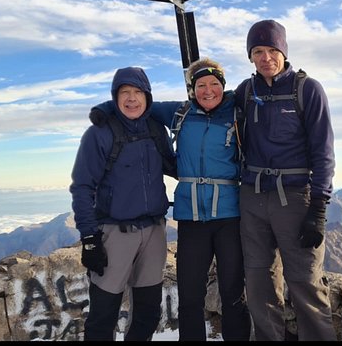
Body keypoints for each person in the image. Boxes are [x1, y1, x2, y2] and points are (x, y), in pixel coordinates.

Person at [90, 58, 252, 341]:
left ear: (223, 85)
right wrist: (103, 110)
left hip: (229, 215)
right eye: (201, 85)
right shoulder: (180, 112)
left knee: (233, 293)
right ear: (192, 89)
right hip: (191, 217)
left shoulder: (237, 112)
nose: (208, 90)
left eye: (214, 83)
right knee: (190, 296)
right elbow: (139, 103)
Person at [234, 19, 337, 341]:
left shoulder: (307, 90)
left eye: (272, 50)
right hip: (252, 196)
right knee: (258, 281)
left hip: (294, 198)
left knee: (305, 281)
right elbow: (204, 104)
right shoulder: (245, 92)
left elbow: (323, 152)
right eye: (258, 51)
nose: (266, 58)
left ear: (284, 52)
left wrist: (318, 208)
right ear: (250, 56)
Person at [69, 66, 173, 341]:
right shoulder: (99, 133)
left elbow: (174, 166)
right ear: (115, 97)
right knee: (103, 314)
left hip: (154, 231)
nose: (132, 98)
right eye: (124, 92)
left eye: (138, 92)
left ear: (148, 97)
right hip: (115, 233)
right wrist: (89, 238)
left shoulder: (156, 130)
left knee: (148, 312)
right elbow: (82, 187)